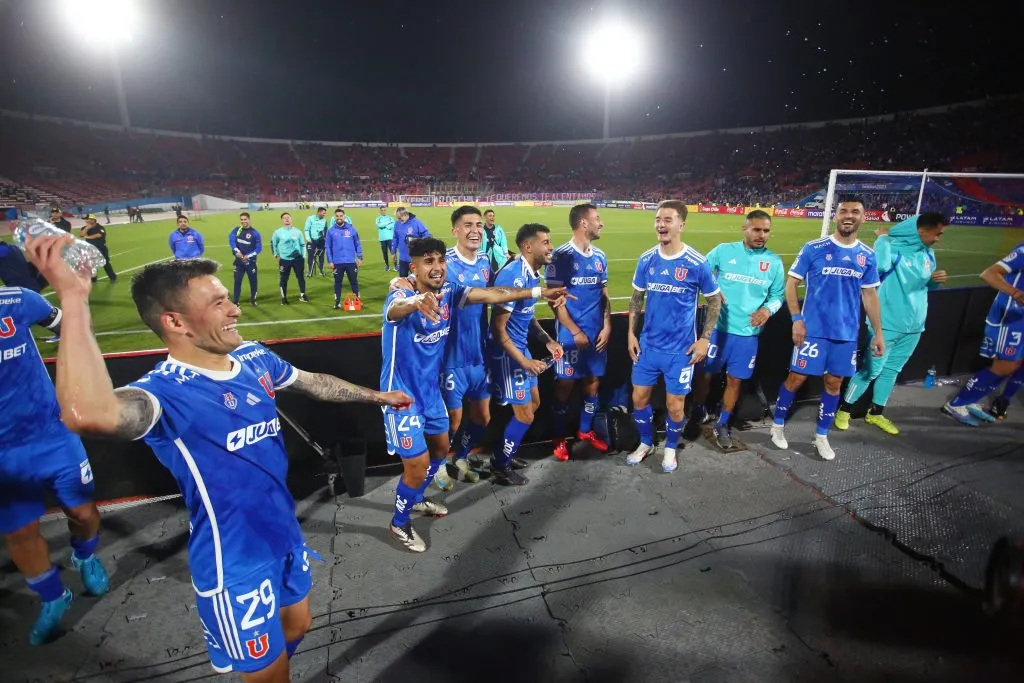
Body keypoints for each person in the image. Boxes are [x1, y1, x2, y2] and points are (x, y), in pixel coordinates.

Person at [25, 234, 412, 681]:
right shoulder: (163, 394)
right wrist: (74, 302)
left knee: (298, 625)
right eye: (219, 304)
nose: (235, 310)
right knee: (270, 675)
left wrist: (377, 396)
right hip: (236, 563)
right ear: (177, 322)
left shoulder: (252, 358)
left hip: (283, 534)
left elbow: (311, 382)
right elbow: (86, 413)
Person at [381, 236, 568, 551]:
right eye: (428, 261)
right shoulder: (402, 293)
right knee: (417, 463)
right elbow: (395, 310)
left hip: (430, 392)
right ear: (413, 267)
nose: (438, 267)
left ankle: (413, 499)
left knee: (441, 451)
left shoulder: (450, 292)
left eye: (440, 260)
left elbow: (494, 294)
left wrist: (537, 291)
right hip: (400, 396)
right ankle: (399, 524)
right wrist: (414, 302)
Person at [0, 283, 109, 647]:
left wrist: (78, 375)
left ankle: (83, 556)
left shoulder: (18, 300)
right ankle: (52, 596)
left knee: (82, 512)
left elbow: (69, 328)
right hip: (3, 453)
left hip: (52, 434)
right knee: (19, 533)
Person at [770, 197, 885, 460]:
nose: (848, 215)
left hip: (845, 334)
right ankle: (777, 426)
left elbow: (870, 296)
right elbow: (791, 284)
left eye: (855, 212)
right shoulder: (814, 247)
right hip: (813, 330)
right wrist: (797, 319)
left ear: (863, 218)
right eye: (843, 211)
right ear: (835, 216)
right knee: (796, 378)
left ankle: (821, 435)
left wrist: (878, 332)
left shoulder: (867, 255)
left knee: (834, 383)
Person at [626, 200, 723, 473]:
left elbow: (714, 301)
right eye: (658, 219)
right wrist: (631, 335)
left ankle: (670, 448)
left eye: (667, 219)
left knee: (675, 405)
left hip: (680, 351)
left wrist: (705, 339)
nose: (661, 224)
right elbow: (636, 299)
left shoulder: (696, 262)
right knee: (639, 399)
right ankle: (646, 443)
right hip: (647, 347)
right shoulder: (647, 259)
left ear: (681, 224)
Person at [835, 213, 948, 434]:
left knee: (892, 371)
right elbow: (877, 271)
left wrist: (934, 282)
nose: (939, 239)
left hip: (914, 326)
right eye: (938, 234)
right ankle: (844, 410)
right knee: (870, 371)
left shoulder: (928, 254)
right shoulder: (892, 250)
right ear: (922, 231)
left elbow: (924, 288)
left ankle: (876, 413)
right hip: (886, 325)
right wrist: (883, 239)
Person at [689, 209, 785, 449]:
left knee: (735, 381)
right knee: (705, 374)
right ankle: (698, 409)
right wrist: (712, 291)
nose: (761, 234)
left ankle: (723, 423)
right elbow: (699, 273)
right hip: (717, 330)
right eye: (756, 229)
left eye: (766, 230)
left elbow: (778, 295)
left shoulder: (773, 262)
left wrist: (768, 310)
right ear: (745, 229)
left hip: (748, 335)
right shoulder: (724, 250)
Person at [488, 224, 565, 486]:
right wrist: (524, 362)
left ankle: (504, 454)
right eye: (545, 242)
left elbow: (527, 316)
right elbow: (498, 330)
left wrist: (548, 340)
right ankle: (500, 465)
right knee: (525, 415)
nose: (551, 247)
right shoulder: (512, 276)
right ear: (527, 246)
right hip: (507, 354)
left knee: (533, 406)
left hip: (521, 349)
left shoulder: (532, 274)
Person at [545, 203, 613, 461]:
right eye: (597, 218)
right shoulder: (560, 257)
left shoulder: (600, 257)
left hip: (597, 335)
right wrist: (574, 332)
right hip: (570, 338)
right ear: (583, 223)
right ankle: (559, 437)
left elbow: (604, 296)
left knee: (593, 383)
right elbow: (555, 302)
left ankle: (585, 431)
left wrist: (607, 326)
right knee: (564, 386)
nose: (601, 223)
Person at [942, 242, 1024, 425]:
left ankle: (969, 400)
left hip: (1020, 319)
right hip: (1009, 319)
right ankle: (956, 403)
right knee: (1005, 366)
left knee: (1015, 365)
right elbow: (988, 274)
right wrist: (1016, 293)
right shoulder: (1023, 251)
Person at [325, 208, 362, 310]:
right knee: (337, 282)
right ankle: (337, 302)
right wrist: (330, 260)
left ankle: (357, 300)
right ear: (334, 217)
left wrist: (359, 257)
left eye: (341, 216)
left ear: (344, 216)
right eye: (337, 216)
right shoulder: (331, 231)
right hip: (337, 262)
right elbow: (328, 247)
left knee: (354, 281)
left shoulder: (351, 229)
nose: (339, 218)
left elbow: (357, 244)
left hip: (350, 261)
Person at [271, 212, 308, 305]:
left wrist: (303, 256)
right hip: (284, 259)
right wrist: (276, 255)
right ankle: (283, 298)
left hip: (297, 259)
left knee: (300, 277)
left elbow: (303, 245)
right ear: (282, 220)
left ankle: (303, 295)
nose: (287, 219)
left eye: (288, 217)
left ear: (291, 219)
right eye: (284, 218)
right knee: (283, 279)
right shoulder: (277, 232)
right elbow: (273, 244)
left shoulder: (298, 231)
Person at [229, 211, 262, 307]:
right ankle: (235, 301)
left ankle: (253, 299)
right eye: (241, 219)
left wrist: (249, 255)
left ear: (249, 219)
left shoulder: (255, 233)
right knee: (237, 281)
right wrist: (236, 251)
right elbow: (231, 241)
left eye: (245, 219)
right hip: (238, 262)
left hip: (250, 262)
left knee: (253, 281)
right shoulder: (236, 230)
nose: (243, 221)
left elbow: (259, 248)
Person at [390, 207, 431, 277]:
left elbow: (428, 236)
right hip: (402, 258)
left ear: (405, 215)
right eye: (397, 218)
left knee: (417, 279)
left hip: (415, 258)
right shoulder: (397, 224)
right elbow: (395, 238)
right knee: (403, 279)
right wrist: (393, 252)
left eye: (400, 218)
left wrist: (417, 241)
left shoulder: (417, 223)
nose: (399, 220)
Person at [80, 214, 118, 283]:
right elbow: (81, 234)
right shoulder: (84, 228)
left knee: (105, 263)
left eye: (87, 219)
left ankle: (112, 277)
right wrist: (87, 228)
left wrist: (87, 237)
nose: (86, 221)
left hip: (101, 248)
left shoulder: (100, 227)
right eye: (86, 219)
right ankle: (93, 279)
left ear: (92, 220)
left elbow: (99, 235)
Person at [480, 209, 510, 283]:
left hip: (498, 256)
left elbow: (503, 241)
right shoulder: (481, 230)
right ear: (485, 218)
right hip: (485, 257)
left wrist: (506, 252)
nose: (492, 217)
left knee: (501, 276)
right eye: (490, 216)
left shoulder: (498, 229)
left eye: (493, 216)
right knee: (486, 278)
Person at [303, 206, 328, 278]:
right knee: (310, 256)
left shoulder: (324, 220)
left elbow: (326, 229)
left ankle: (321, 270)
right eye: (323, 213)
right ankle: (309, 272)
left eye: (325, 214)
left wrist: (325, 237)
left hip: (321, 241)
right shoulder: (310, 218)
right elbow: (307, 229)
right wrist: (308, 238)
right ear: (319, 212)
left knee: (321, 256)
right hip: (312, 241)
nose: (324, 215)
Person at [375, 206, 396, 271]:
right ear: (380, 211)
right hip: (382, 239)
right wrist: (387, 223)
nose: (384, 211)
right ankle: (387, 265)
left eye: (385, 210)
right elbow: (379, 225)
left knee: (393, 252)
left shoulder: (390, 218)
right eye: (382, 210)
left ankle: (396, 266)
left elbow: (393, 224)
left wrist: (386, 225)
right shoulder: (378, 219)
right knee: (384, 253)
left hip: (390, 237)